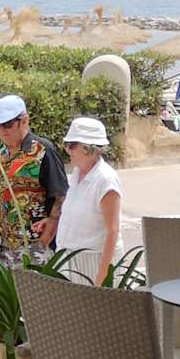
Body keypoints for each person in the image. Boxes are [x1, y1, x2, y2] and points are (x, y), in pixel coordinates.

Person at [0, 93, 67, 270]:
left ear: (24, 120)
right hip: (1, 248)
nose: (2, 131)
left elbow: (61, 198)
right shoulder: (1, 153)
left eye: (8, 124)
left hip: (32, 246)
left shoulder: (42, 151)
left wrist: (42, 244)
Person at [55, 115, 122, 283]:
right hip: (69, 259)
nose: (67, 150)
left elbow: (113, 231)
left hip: (94, 261)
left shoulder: (105, 179)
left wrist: (102, 276)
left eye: (71, 145)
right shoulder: (77, 173)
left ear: (88, 149)